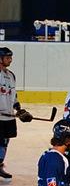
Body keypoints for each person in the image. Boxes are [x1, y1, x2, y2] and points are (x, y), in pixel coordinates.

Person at [0, 46, 33, 179]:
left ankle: (0, 165)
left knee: (4, 142)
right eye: (7, 57)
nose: (10, 60)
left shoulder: (11, 75)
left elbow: (13, 95)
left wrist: (19, 110)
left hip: (8, 117)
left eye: (10, 57)